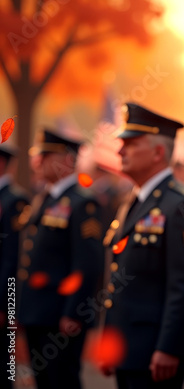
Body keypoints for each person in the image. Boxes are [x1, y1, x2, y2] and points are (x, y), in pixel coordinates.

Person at [100, 102, 184, 389]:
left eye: (131, 144)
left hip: (156, 353)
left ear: (159, 152)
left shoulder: (183, 204)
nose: (120, 150)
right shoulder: (132, 201)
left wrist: (169, 347)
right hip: (127, 348)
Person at [18, 129, 104, 389]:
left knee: (61, 380)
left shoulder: (82, 203)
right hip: (37, 311)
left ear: (67, 160)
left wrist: (73, 313)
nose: (38, 161)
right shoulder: (44, 197)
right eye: (38, 155)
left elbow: (87, 264)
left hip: (60, 314)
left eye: (46, 155)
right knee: (42, 380)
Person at [0, 144, 29, 388]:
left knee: (5, 366)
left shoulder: (14, 199)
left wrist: (6, 307)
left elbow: (11, 259)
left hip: (3, 297)